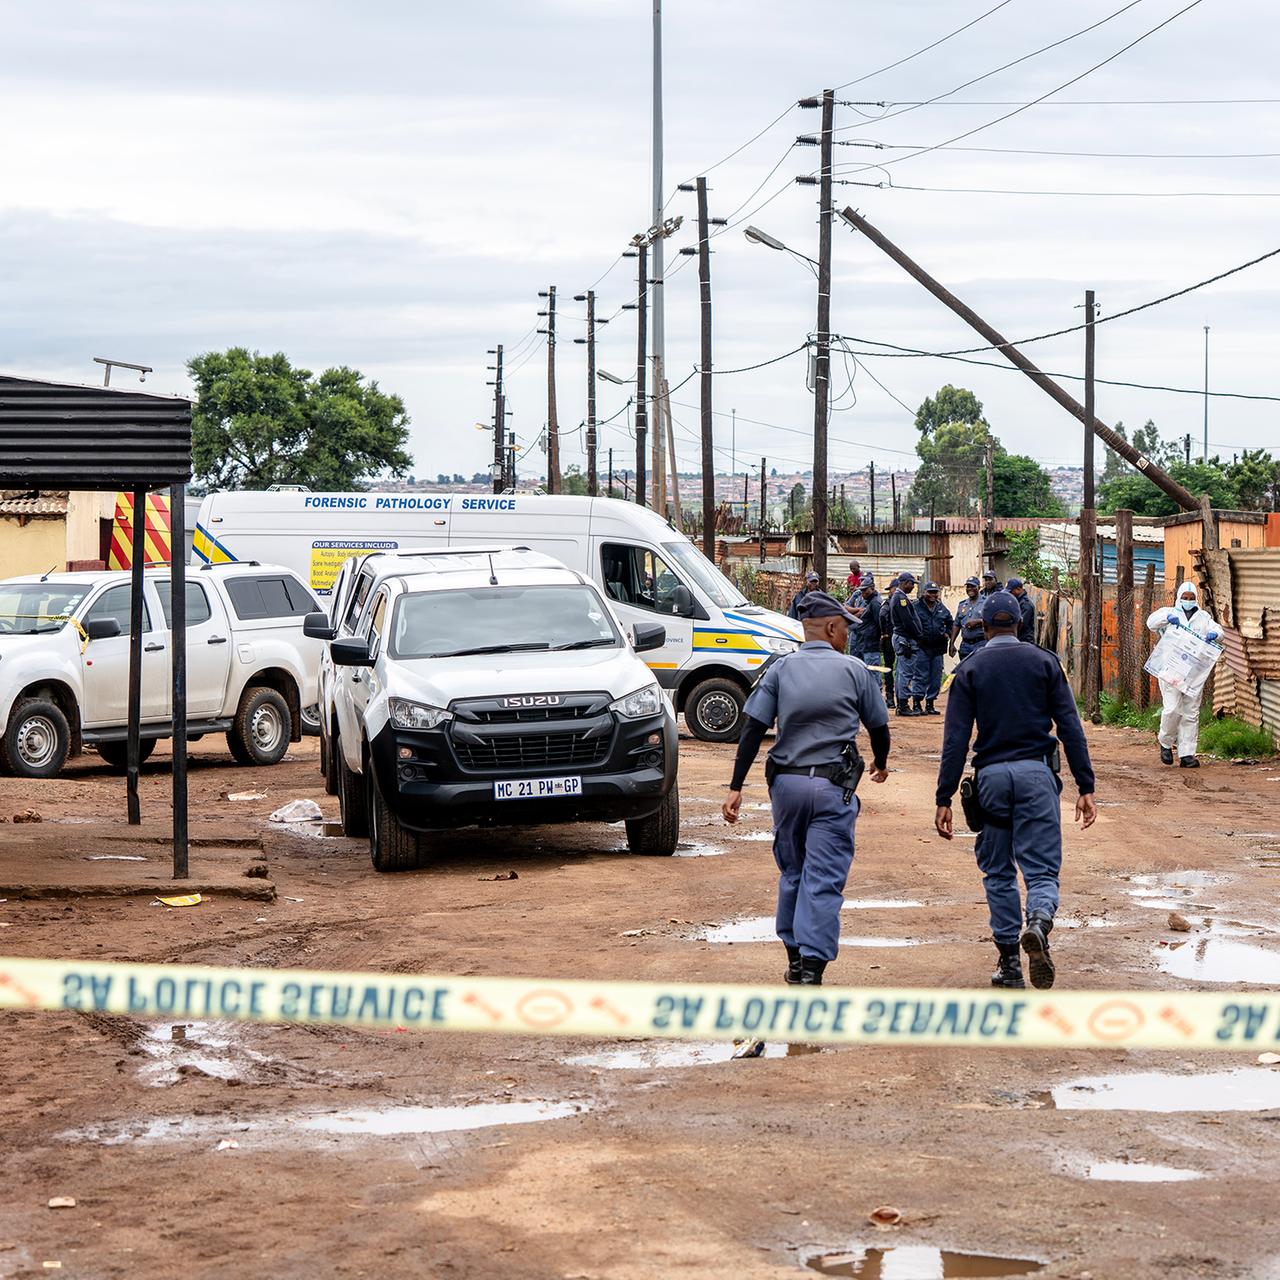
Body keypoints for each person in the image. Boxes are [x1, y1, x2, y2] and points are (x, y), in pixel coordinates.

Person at [723, 591, 891, 986]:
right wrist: (881, 763)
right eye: (846, 629)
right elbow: (879, 728)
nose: (848, 636)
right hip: (832, 788)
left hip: (787, 787)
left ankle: (794, 956)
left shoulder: (781, 669)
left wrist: (735, 787)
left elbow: (752, 729)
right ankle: (812, 968)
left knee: (793, 872)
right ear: (831, 628)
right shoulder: (855, 670)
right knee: (823, 876)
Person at [934, 591, 1097, 990]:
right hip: (1037, 776)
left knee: (998, 871)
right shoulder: (1045, 662)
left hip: (989, 778)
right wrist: (1085, 785)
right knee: (1040, 870)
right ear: (1019, 625)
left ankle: (1008, 965)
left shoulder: (970, 669)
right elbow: (1070, 728)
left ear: (984, 627)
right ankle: (1039, 921)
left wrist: (944, 797)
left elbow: (956, 740)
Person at [1145, 581, 1220, 768]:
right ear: (1179, 598)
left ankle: (1187, 754)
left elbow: (1218, 631)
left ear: (1196, 599)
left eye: (1191, 598)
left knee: (1190, 713)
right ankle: (1165, 742)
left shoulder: (1203, 617)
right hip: (1171, 669)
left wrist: (1214, 634)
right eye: (1185, 598)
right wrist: (1168, 618)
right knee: (1172, 709)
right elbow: (1150, 623)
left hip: (1193, 672)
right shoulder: (1168, 612)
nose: (1188, 601)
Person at [911, 582, 952, 715]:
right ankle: (917, 703)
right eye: (930, 592)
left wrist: (947, 633)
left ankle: (930, 703)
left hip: (938, 647)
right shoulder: (916, 606)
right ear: (924, 592)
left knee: (936, 676)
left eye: (935, 592)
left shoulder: (940, 607)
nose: (933, 595)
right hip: (922, 646)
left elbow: (950, 621)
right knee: (920, 676)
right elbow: (908, 623)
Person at [888, 571, 922, 716]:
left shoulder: (900, 597)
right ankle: (903, 705)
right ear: (905, 583)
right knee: (906, 672)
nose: (913, 587)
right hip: (905, 639)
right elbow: (908, 621)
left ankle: (902, 704)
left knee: (902, 672)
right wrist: (919, 635)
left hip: (903, 638)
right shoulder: (900, 598)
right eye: (912, 583)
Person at [950, 577, 985, 663]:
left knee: (979, 671)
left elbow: (992, 621)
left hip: (981, 643)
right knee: (965, 672)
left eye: (973, 586)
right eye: (968, 587)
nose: (970, 589)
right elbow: (956, 624)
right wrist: (951, 643)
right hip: (965, 645)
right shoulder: (962, 604)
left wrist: (978, 622)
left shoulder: (986, 602)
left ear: (979, 587)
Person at [851, 575, 882, 669]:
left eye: (865, 590)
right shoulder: (869, 601)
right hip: (864, 645)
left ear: (872, 588)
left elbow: (879, 624)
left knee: (872, 675)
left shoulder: (875, 603)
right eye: (862, 590)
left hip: (871, 647)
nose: (863, 592)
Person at [879, 574, 899, 705]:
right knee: (892, 668)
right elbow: (882, 615)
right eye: (894, 588)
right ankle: (891, 697)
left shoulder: (889, 602)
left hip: (890, 638)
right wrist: (884, 633)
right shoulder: (889, 603)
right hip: (892, 638)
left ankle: (892, 698)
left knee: (891, 668)